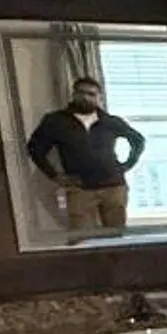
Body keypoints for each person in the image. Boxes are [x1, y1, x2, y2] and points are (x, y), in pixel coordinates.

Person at [24, 74, 145, 234]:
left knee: (116, 236)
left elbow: (138, 140)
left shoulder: (109, 121)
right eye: (81, 93)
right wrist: (54, 175)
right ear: (74, 94)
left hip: (113, 187)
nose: (86, 97)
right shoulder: (56, 121)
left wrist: (127, 165)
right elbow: (35, 148)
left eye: (91, 94)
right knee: (82, 237)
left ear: (99, 97)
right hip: (79, 188)